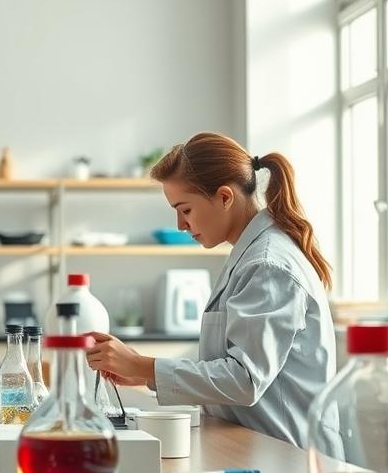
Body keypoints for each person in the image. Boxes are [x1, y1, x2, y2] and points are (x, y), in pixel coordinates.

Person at [86, 132, 335, 447]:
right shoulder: (249, 255)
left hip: (289, 455)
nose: (180, 224)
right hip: (258, 447)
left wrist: (145, 366)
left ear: (225, 197)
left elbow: (244, 379)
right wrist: (145, 373)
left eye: (185, 209)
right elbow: (229, 367)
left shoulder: (268, 264)